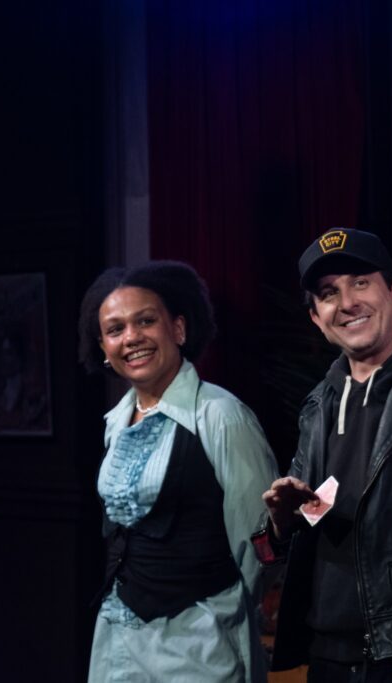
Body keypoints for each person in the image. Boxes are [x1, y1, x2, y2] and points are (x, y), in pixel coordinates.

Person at [255, 228, 392, 682]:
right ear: (317, 318)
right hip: (326, 653)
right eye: (328, 293)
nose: (347, 302)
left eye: (360, 282)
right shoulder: (318, 405)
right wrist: (282, 519)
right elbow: (298, 527)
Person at [78, 261, 280, 682]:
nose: (131, 338)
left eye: (146, 321)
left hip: (200, 645)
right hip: (119, 642)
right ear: (103, 348)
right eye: (115, 330)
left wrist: (235, 623)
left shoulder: (222, 416)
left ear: (179, 329)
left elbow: (256, 545)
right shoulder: (115, 422)